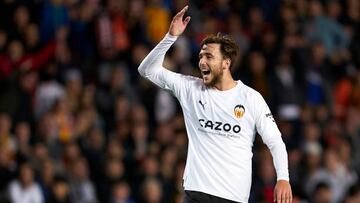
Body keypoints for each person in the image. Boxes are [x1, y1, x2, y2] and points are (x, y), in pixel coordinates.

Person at [138, 6, 292, 203]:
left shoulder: (250, 98)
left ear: (226, 63)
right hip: (196, 194)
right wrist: (170, 36)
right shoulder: (190, 88)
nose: (202, 61)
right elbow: (147, 70)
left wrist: (283, 178)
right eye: (201, 56)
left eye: (209, 56)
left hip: (233, 197)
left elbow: (275, 142)